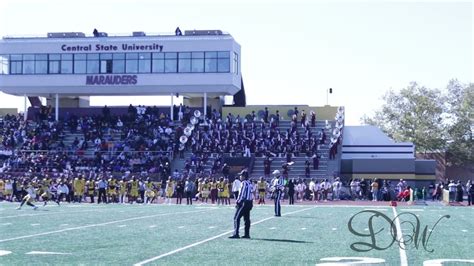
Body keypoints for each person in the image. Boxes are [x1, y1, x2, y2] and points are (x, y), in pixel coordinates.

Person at [229, 170, 253, 239]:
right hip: (249, 202)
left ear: (244, 176)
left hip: (244, 202)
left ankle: (236, 233)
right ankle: (247, 234)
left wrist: (238, 201)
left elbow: (241, 193)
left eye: (241, 175)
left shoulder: (243, 183)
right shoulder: (249, 183)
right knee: (247, 219)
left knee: (236, 218)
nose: (240, 176)